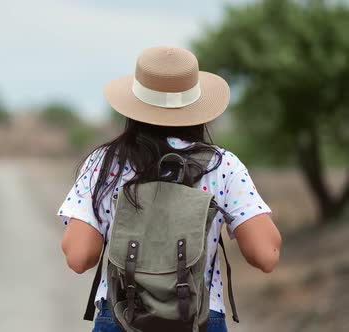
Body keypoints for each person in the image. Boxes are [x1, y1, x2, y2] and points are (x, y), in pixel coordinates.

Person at [56, 46, 282, 332]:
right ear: (197, 106)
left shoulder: (105, 162)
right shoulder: (222, 166)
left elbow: (78, 257)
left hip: (120, 316)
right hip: (199, 318)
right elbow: (266, 255)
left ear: (133, 105)